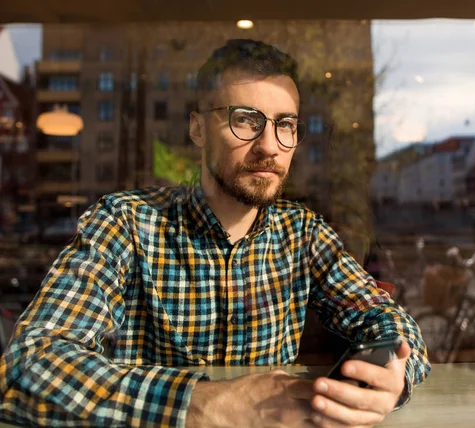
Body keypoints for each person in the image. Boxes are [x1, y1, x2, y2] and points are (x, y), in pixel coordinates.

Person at [0, 39, 429, 427]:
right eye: (246, 119)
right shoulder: (126, 223)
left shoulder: (304, 235)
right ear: (198, 128)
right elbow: (28, 364)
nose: (269, 145)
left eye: (286, 124)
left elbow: (394, 327)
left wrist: (390, 379)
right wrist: (199, 403)